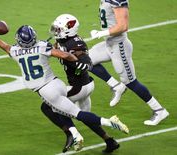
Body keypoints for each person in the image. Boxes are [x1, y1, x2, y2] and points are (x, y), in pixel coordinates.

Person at [0, 24, 129, 153]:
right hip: (58, 84)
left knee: (75, 113)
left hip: (48, 90)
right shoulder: (43, 46)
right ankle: (93, 137)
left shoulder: (15, 51)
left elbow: (6, 47)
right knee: (61, 110)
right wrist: (75, 60)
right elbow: (65, 55)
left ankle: (106, 122)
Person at [41, 14, 128, 153]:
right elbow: (58, 49)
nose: (56, 32)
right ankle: (109, 141)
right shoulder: (64, 40)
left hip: (79, 87)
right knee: (85, 116)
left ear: (68, 30)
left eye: (59, 29)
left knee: (50, 105)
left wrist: (85, 64)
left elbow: (85, 57)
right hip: (85, 85)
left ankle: (71, 133)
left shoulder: (75, 44)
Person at [88, 0, 169, 125]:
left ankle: (159, 110)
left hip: (119, 46)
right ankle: (116, 86)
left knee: (130, 82)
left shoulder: (118, 1)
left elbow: (123, 26)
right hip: (109, 44)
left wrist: (102, 33)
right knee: (86, 60)